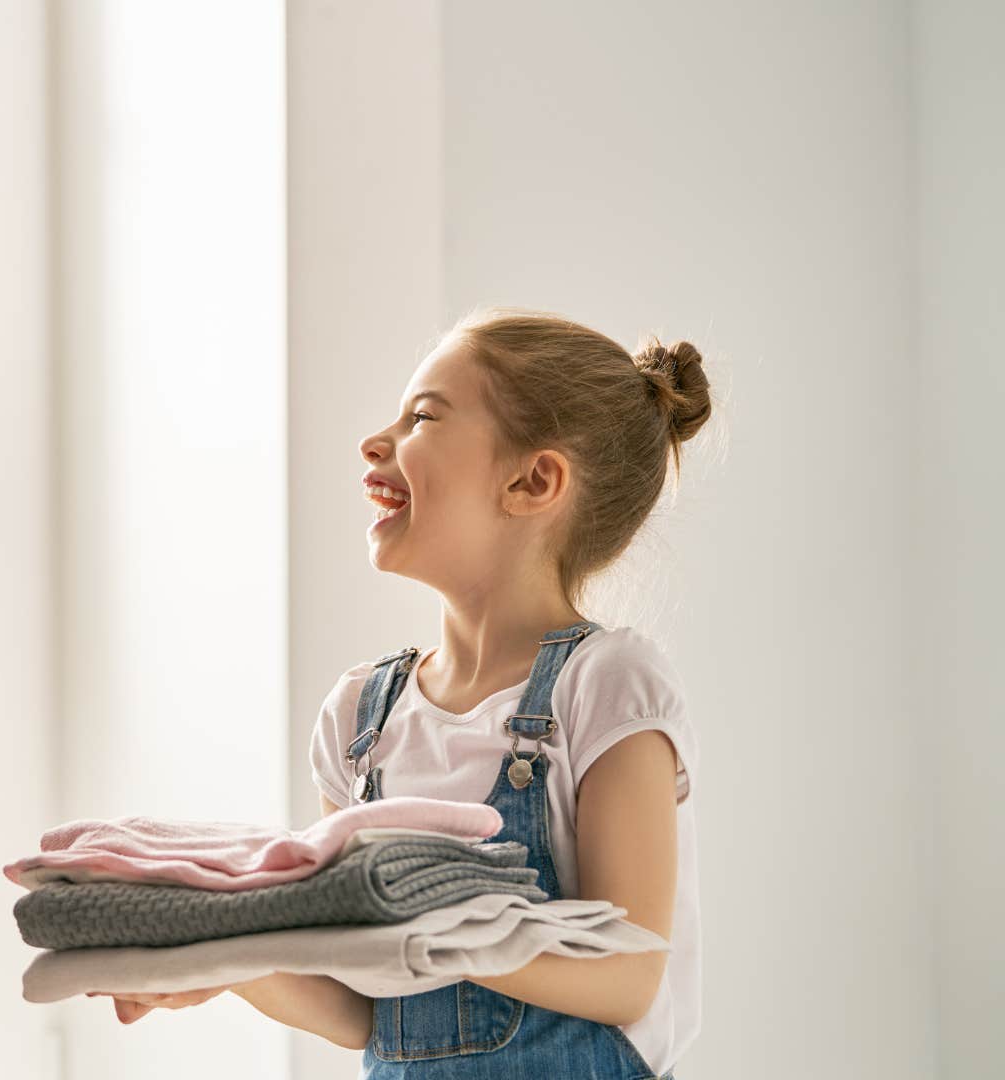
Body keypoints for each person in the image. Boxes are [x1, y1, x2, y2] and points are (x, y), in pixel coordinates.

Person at [99, 310, 708, 1079]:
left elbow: (628, 977)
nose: (376, 440)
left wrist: (418, 925)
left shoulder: (607, 685)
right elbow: (360, 1007)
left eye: (422, 416)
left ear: (532, 481)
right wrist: (226, 959)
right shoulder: (361, 719)